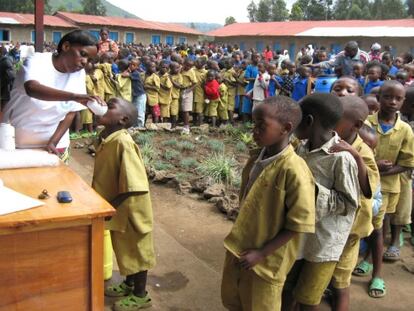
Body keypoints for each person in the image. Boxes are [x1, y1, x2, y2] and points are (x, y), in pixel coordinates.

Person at [221, 96, 315, 311]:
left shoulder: (294, 170)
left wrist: (261, 253)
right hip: (242, 246)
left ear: (286, 128)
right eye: (254, 124)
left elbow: (299, 223)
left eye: (261, 125)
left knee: (262, 303)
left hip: (268, 258)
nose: (254, 130)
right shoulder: (258, 156)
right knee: (235, 297)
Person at [292, 93, 359, 311]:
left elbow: (349, 203)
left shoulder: (341, 157)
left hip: (323, 243)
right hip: (298, 234)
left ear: (309, 121)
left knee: (308, 299)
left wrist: (310, 190)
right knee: (290, 288)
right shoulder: (301, 147)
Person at [93, 98, 155, 311]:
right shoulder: (108, 137)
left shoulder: (123, 142)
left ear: (123, 119)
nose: (102, 107)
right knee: (124, 246)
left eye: (110, 106)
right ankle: (129, 284)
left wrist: (110, 206)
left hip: (131, 208)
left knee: (138, 249)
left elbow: (134, 186)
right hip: (119, 206)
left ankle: (141, 295)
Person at [2, 30, 103, 161]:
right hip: (16, 142)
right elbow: (32, 88)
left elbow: (70, 113)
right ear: (66, 46)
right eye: (82, 54)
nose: (85, 62)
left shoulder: (79, 74)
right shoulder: (37, 60)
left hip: (55, 144)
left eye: (89, 59)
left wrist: (53, 142)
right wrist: (74, 96)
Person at [329, 96, 380, 311]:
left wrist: (356, 157)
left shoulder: (364, 151)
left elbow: (368, 189)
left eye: (334, 119)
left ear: (356, 125)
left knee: (341, 280)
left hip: (350, 228)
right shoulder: (329, 141)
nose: (328, 122)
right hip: (329, 222)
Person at [364, 81, 414, 297]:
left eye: (398, 98)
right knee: (363, 225)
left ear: (403, 102)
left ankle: (377, 274)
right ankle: (364, 259)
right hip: (363, 185)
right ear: (379, 97)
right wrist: (375, 167)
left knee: (379, 228)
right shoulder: (365, 123)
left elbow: (407, 163)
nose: (392, 102)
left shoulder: (405, 130)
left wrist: (384, 172)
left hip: (387, 188)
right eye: (387, 97)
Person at [180, 59, 197, 134]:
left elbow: (195, 83)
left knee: (186, 109)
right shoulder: (181, 69)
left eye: (190, 66)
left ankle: (186, 126)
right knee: (183, 109)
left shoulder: (191, 72)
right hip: (180, 90)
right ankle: (184, 124)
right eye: (187, 65)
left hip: (187, 91)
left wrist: (188, 90)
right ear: (184, 63)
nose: (188, 67)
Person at [128, 58, 146, 128]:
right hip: (135, 95)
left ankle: (140, 127)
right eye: (130, 64)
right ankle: (136, 126)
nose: (131, 66)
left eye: (134, 65)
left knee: (140, 112)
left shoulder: (136, 74)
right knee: (135, 111)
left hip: (140, 96)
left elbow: (125, 75)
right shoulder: (132, 73)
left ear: (137, 67)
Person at [0, 46, 15, 111]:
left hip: (7, 85)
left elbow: (11, 75)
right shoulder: (4, 60)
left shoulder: (5, 61)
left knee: (5, 102)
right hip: (4, 84)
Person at [193, 58, 207, 125]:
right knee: (193, 110)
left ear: (203, 64)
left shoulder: (205, 73)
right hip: (192, 92)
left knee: (199, 110)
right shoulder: (193, 70)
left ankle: (200, 123)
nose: (196, 63)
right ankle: (194, 122)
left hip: (200, 93)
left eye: (198, 63)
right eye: (196, 62)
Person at [169, 61, 183, 129]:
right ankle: (168, 125)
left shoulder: (179, 76)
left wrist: (172, 81)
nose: (178, 69)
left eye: (178, 68)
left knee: (174, 112)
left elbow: (179, 86)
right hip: (167, 97)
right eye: (176, 68)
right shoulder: (168, 74)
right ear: (171, 68)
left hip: (175, 97)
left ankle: (174, 125)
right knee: (168, 112)